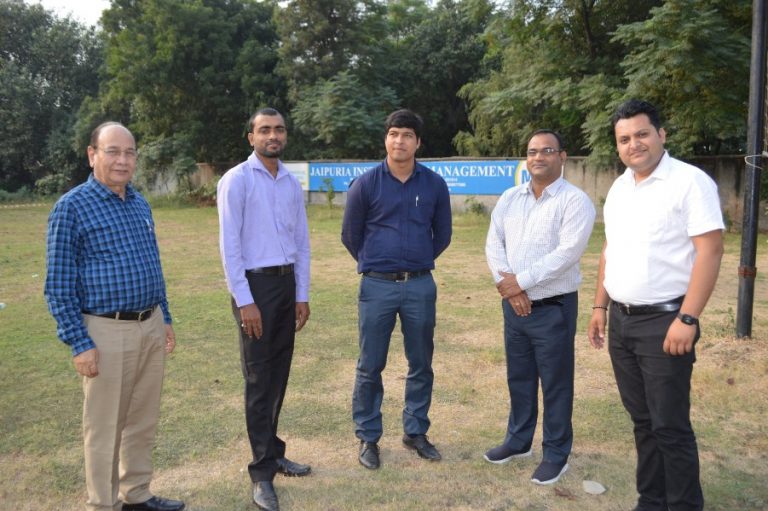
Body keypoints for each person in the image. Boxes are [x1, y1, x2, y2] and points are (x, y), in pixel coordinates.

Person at [587, 99, 724, 511]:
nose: (634, 144)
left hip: (666, 322)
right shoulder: (619, 187)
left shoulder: (690, 182)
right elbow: (610, 249)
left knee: (669, 425)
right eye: (624, 139)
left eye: (642, 134)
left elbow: (711, 251)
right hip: (622, 322)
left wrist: (688, 317)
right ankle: (651, 499)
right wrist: (599, 307)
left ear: (661, 134)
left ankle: (683, 505)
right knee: (643, 421)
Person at [44, 122, 184, 511]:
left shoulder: (139, 203)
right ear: (92, 155)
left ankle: (136, 494)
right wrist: (79, 342)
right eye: (113, 151)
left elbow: (152, 263)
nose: (123, 160)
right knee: (104, 427)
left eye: (129, 152)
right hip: (105, 331)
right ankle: (103, 504)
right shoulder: (71, 207)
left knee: (142, 419)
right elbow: (58, 284)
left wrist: (165, 315)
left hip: (149, 324)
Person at [341, 109, 452, 470]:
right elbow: (350, 235)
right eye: (393, 134)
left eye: (406, 135)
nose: (399, 141)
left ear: (418, 142)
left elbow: (443, 234)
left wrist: (416, 260)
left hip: (420, 285)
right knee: (370, 364)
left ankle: (415, 432)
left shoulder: (433, 185)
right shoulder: (366, 184)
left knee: (421, 362)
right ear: (385, 139)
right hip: (377, 286)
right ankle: (368, 436)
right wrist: (378, 261)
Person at [484, 130, 595, 485]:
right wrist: (509, 287)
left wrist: (520, 282)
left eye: (547, 150)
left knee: (556, 383)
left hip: (553, 308)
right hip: (514, 306)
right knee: (519, 377)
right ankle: (518, 441)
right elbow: (493, 244)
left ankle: (556, 454)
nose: (538, 157)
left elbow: (567, 254)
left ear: (562, 156)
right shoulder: (510, 197)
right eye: (532, 151)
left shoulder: (575, 201)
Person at [217, 108, 311, 511]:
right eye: (265, 130)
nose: (273, 136)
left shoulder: (290, 182)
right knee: (259, 380)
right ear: (251, 137)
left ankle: (274, 452)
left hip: (286, 285)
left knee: (279, 374)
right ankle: (261, 473)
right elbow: (230, 246)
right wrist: (245, 301)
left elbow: (302, 242)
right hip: (254, 288)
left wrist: (302, 294)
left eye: (279, 130)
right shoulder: (236, 180)